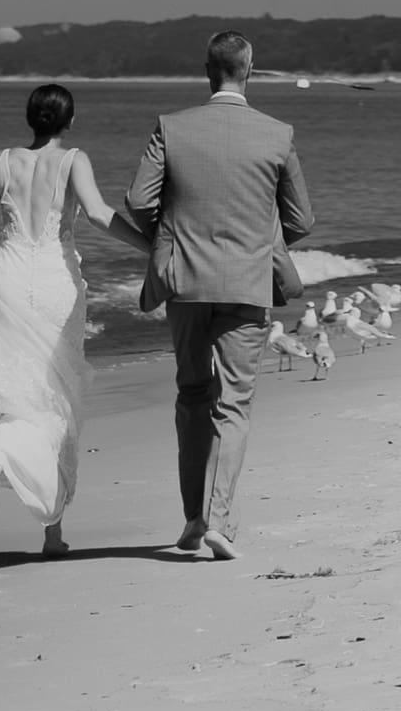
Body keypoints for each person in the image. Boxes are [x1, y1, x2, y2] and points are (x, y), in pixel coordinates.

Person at [127, 31, 313, 560]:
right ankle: (221, 523)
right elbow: (302, 219)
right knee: (234, 404)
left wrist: (168, 236)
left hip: (185, 281)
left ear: (208, 71)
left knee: (191, 394)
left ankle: (192, 519)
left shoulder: (173, 127)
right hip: (248, 281)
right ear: (248, 71)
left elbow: (139, 200)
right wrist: (259, 243)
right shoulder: (277, 134)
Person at [0, 83, 148, 557]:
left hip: (10, 275)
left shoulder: (3, 160)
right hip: (57, 283)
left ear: (30, 118)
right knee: (55, 393)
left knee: (11, 385)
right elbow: (99, 213)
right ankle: (52, 530)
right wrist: (151, 247)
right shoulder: (73, 158)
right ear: (69, 121)